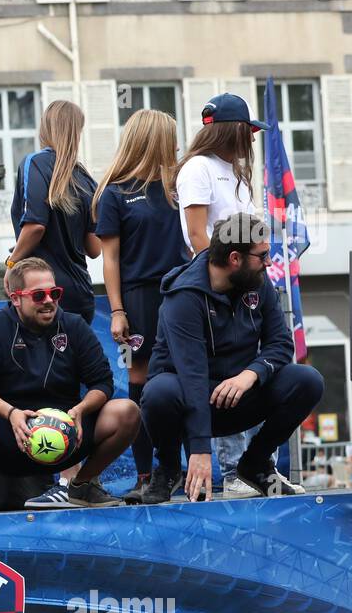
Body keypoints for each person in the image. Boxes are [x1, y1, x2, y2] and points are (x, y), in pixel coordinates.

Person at [139, 213, 324, 503]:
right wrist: (200, 451)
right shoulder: (183, 297)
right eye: (262, 255)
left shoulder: (257, 282)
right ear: (235, 258)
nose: (269, 262)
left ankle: (256, 463)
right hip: (190, 402)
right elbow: (193, 375)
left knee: (307, 380)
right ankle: (169, 469)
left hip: (237, 397)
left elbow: (281, 344)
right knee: (158, 392)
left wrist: (250, 374)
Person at [0, 258, 139, 511]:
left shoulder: (74, 325)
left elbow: (102, 382)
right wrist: (11, 413)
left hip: (69, 432)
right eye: (39, 295)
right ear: (16, 298)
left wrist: (80, 410)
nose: (49, 300)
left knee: (127, 411)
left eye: (55, 293)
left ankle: (82, 485)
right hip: (9, 434)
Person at [93, 109, 189, 503]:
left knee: (181, 383)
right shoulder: (115, 192)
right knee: (140, 385)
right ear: (152, 140)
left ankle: (179, 470)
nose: (177, 145)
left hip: (181, 295)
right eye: (170, 137)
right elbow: (109, 258)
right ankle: (146, 475)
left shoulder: (179, 186)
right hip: (138, 300)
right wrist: (117, 310)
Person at [175, 93, 266, 497]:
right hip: (212, 288)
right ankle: (230, 472)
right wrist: (220, 279)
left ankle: (252, 468)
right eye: (250, 131)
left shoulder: (237, 172)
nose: (253, 139)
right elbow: (198, 235)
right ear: (237, 131)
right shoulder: (198, 168)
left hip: (243, 283)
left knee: (250, 369)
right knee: (221, 373)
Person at [6, 99, 100, 324]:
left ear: (45, 126)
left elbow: (36, 225)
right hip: (80, 295)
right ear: (77, 131)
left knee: (35, 358)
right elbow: (94, 249)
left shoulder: (35, 163)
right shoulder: (86, 179)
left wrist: (12, 263)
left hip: (39, 294)